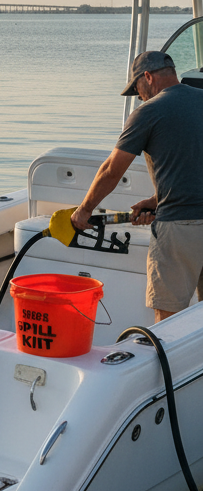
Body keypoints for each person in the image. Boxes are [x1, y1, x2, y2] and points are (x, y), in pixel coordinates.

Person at [71, 50, 203, 322]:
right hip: (180, 210)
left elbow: (111, 171)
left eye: (137, 89)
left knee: (168, 318)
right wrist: (157, 201)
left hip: (180, 228)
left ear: (147, 77)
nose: (139, 96)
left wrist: (84, 211)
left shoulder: (148, 112)